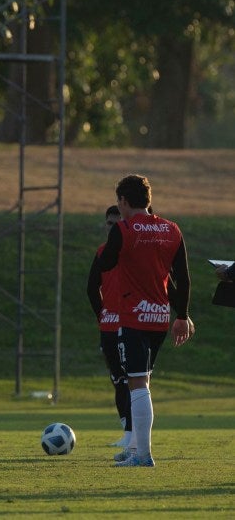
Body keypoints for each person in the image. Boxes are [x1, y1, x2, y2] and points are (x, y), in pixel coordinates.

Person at [98, 174, 194, 467]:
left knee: (137, 383)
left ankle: (143, 455)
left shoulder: (124, 230)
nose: (119, 208)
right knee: (143, 381)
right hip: (160, 317)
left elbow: (106, 264)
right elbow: (183, 278)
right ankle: (136, 448)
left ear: (125, 201)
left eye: (119, 202)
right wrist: (184, 316)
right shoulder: (171, 230)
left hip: (133, 315)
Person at [86, 205, 132, 449]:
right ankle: (128, 432)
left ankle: (133, 434)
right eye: (109, 224)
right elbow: (92, 288)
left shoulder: (134, 253)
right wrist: (102, 314)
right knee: (119, 380)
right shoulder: (102, 252)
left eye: (117, 223)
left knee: (132, 380)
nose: (113, 228)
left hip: (133, 323)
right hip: (110, 326)